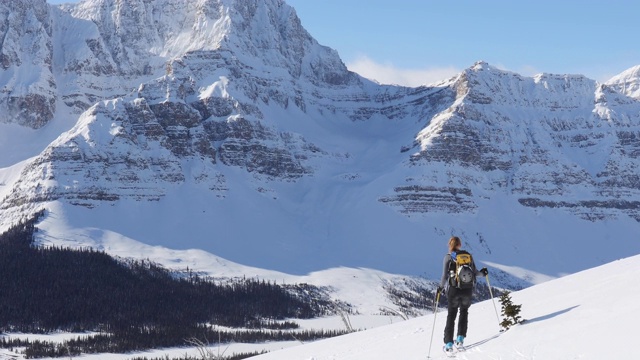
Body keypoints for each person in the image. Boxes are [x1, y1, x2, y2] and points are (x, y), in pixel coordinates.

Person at [437, 236, 488, 353]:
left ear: (450, 245)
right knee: (464, 312)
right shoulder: (468, 256)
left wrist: (440, 288)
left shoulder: (448, 257)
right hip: (467, 289)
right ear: (459, 244)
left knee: (451, 315)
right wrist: (483, 273)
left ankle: (449, 344)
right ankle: (460, 339)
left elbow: (444, 276)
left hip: (453, 290)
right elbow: (475, 272)